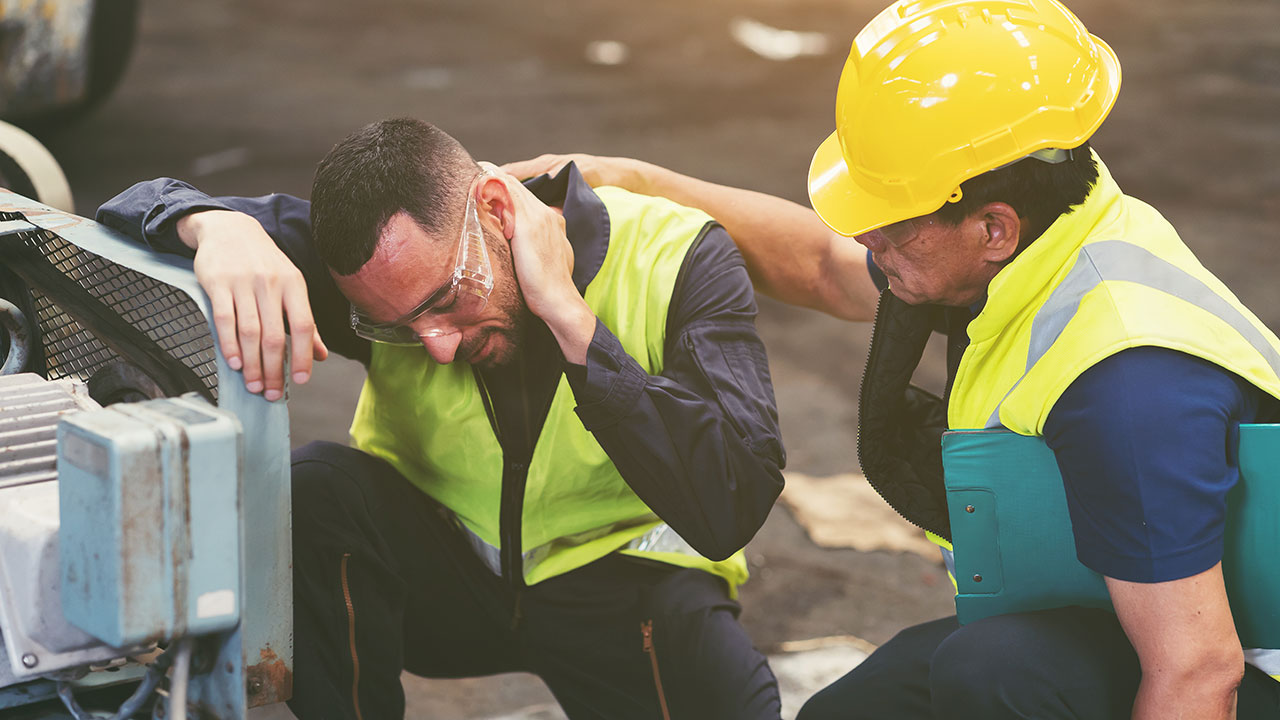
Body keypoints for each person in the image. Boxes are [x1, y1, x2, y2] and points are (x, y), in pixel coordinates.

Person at [503, 0, 1280, 718]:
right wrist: (633, 181)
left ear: (993, 229)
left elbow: (1196, 672)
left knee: (995, 673)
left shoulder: (1127, 385)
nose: (867, 242)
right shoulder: (1046, 223)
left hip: (1247, 662)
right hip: (1127, 606)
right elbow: (821, 266)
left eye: (889, 228)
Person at [96, 118, 787, 720]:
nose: (438, 343)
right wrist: (217, 224)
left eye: (447, 299)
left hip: (621, 591)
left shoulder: (676, 255)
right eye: (399, 326)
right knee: (315, 490)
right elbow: (128, 205)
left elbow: (731, 503)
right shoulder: (376, 272)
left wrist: (572, 320)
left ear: (494, 209)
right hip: (445, 582)